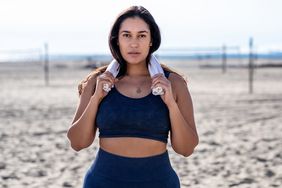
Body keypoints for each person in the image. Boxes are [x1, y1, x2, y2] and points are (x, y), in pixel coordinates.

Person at [67, 5, 199, 188]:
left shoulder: (173, 84)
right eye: (127, 35)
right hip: (102, 183)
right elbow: (77, 142)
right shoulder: (98, 82)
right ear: (117, 40)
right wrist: (96, 98)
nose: (134, 43)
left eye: (142, 35)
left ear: (151, 40)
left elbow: (186, 149)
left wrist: (171, 105)